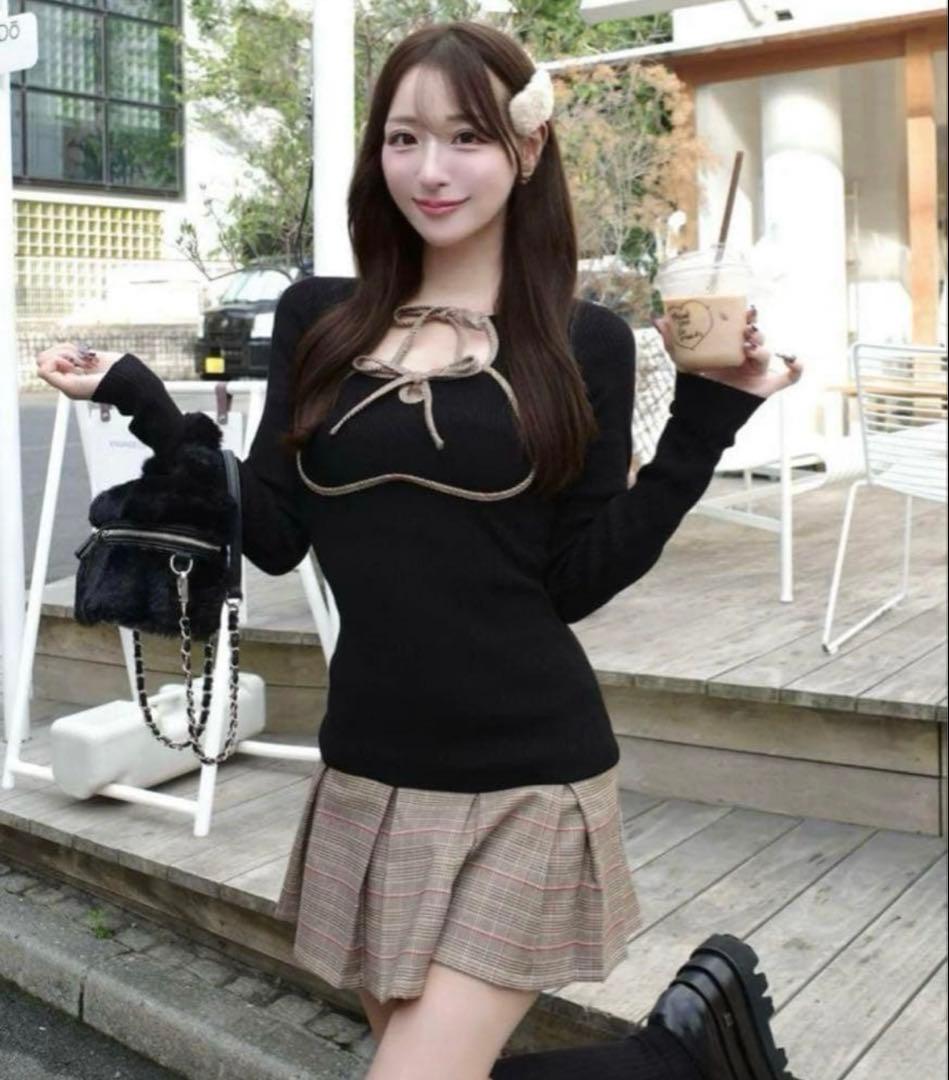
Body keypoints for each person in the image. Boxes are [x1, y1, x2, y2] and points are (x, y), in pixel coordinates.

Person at [36, 19, 803, 1080]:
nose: (431, 170)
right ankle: (677, 1060)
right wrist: (143, 400)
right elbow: (274, 535)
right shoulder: (322, 320)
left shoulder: (580, 340)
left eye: (466, 137)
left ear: (526, 149)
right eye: (404, 138)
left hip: (527, 773)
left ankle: (672, 1063)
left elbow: (575, 578)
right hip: (371, 770)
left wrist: (708, 418)